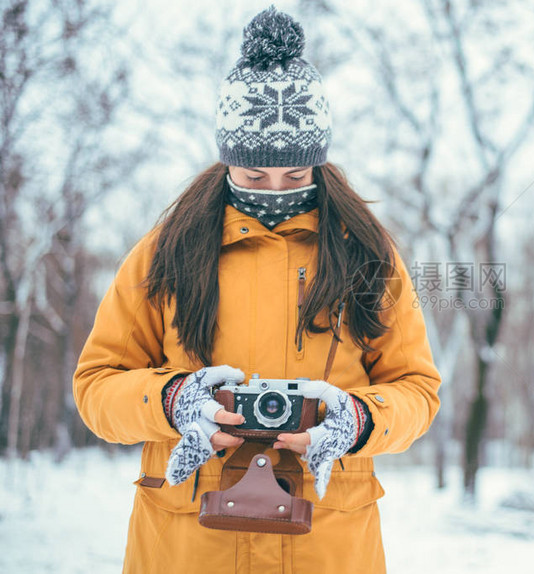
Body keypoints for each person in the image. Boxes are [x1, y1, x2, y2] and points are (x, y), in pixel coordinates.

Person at [72, 6, 441, 573]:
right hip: (186, 547)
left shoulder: (368, 256)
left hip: (327, 544)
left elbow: (416, 388)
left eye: (295, 176)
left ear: (319, 163)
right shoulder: (162, 256)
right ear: (227, 162)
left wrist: (361, 419)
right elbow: (96, 388)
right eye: (252, 176)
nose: (274, 190)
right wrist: (172, 401)